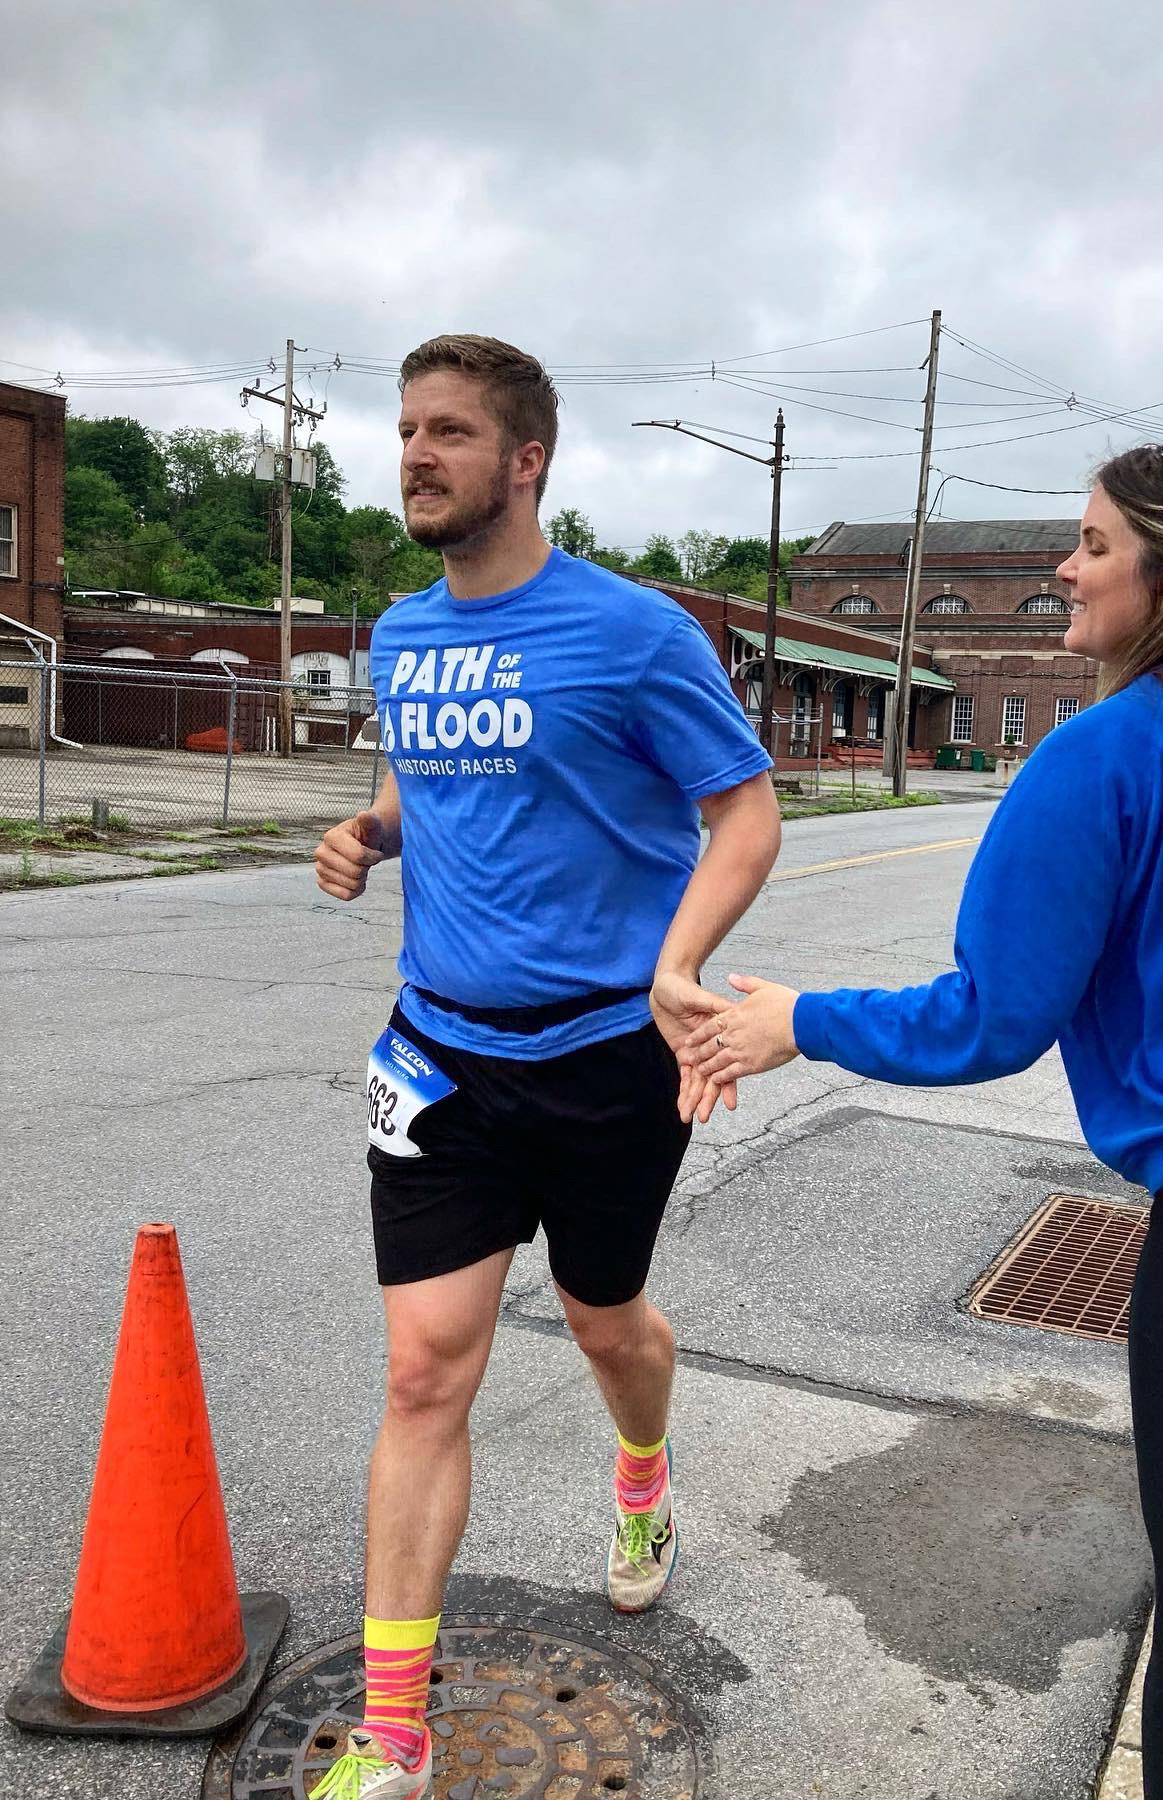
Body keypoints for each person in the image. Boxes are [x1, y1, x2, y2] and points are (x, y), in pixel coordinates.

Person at [682, 442, 1163, 1800]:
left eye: (1093, 546)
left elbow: (992, 1018)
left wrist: (799, 1018)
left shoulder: (1104, 756)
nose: (1063, 568)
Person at [312, 334, 779, 1800]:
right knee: (421, 1370)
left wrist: (678, 965)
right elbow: (421, 778)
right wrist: (374, 831)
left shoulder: (635, 633)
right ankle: (395, 1735)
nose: (415, 456)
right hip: (442, 1058)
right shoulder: (400, 633)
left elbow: (747, 812)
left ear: (526, 460)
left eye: (448, 432)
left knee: (604, 1323)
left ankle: (640, 1486)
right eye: (403, 431)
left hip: (603, 1063)